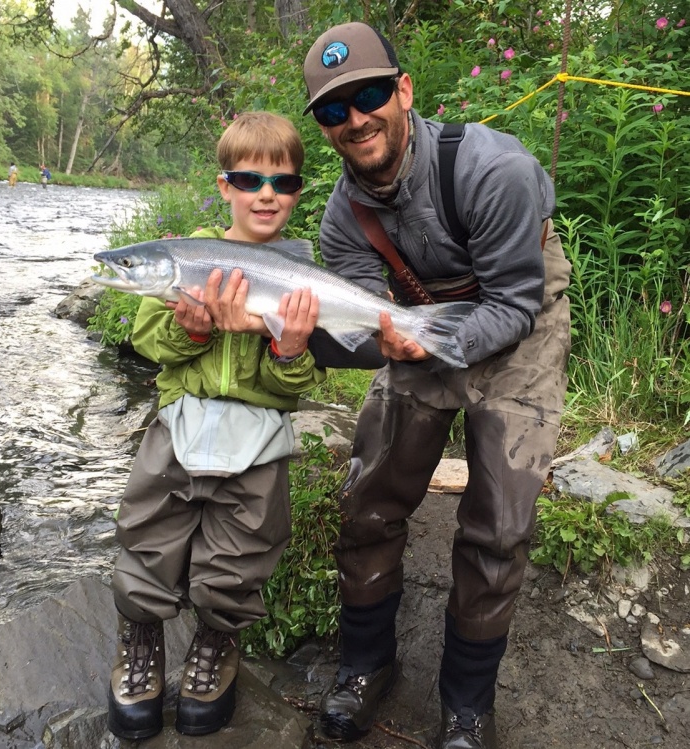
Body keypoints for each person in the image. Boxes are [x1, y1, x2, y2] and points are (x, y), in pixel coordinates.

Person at [302, 22, 572, 749]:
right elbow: (362, 331)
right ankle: (365, 664)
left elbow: (514, 303)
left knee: (499, 523)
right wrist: (309, 338)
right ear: (324, 127)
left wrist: (426, 336)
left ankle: (465, 705)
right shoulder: (341, 217)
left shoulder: (493, 170)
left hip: (522, 317)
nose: (355, 120)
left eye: (367, 96)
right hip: (415, 320)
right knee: (367, 499)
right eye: (333, 110)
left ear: (403, 90)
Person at [107, 111, 326, 741]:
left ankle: (215, 644)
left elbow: (295, 385)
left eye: (282, 183)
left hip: (260, 443)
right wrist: (190, 327)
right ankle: (141, 642)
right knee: (148, 537)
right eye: (249, 179)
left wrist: (289, 349)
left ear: (295, 194)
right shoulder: (185, 253)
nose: (265, 194)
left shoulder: (299, 280)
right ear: (224, 185)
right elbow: (148, 339)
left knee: (241, 555)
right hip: (178, 428)